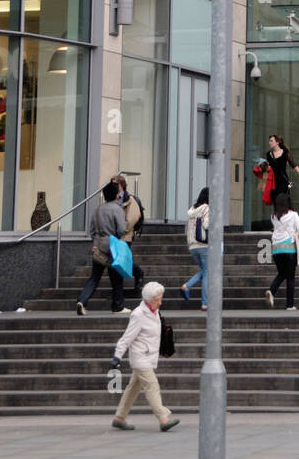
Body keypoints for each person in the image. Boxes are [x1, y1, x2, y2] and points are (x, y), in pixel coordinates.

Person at [110, 281, 179, 432]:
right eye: (158, 299)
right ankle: (163, 418)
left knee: (132, 389)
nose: (160, 302)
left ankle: (119, 418)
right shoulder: (138, 315)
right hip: (140, 357)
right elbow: (126, 338)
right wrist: (117, 356)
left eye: (161, 298)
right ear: (149, 299)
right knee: (152, 386)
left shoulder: (154, 312)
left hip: (148, 357)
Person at [76, 181, 127, 315]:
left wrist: (95, 242)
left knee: (94, 277)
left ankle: (82, 300)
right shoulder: (118, 209)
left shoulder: (97, 210)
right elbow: (122, 229)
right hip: (112, 246)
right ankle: (118, 306)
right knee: (116, 277)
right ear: (116, 195)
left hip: (98, 246)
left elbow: (92, 230)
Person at [264, 192, 299, 311]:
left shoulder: (273, 216)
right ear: (288, 203)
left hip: (276, 249)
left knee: (282, 273)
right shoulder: (293, 215)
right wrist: (294, 236)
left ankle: (271, 291)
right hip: (289, 249)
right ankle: (290, 305)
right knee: (290, 277)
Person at [113, 173, 144, 293]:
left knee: (119, 262)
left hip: (124, 237)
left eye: (115, 184)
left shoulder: (130, 199)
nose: (113, 186)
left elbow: (132, 218)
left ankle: (137, 273)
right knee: (118, 263)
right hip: (114, 237)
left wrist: (120, 230)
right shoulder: (112, 199)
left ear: (121, 185)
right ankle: (137, 273)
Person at [181, 187, 209, 309]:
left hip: (192, 246)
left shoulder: (192, 210)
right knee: (208, 272)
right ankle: (205, 303)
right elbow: (207, 225)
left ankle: (187, 286)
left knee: (205, 271)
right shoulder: (207, 208)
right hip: (204, 245)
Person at [266, 134, 299, 201]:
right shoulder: (268, 154)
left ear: (277, 142)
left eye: (271, 141)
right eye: (269, 141)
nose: (269, 142)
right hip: (273, 183)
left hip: (283, 182)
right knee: (276, 203)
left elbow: (294, 165)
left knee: (283, 202)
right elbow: (269, 168)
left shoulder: (285, 153)